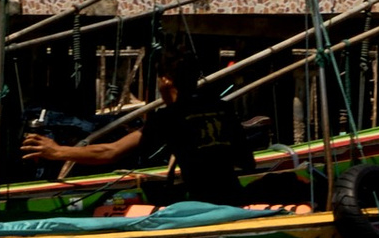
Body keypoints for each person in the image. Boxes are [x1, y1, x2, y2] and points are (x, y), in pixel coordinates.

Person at [21, 49, 257, 206]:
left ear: (165, 80)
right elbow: (248, 162)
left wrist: (57, 151)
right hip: (235, 197)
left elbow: (111, 152)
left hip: (204, 204)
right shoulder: (223, 108)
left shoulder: (168, 117)